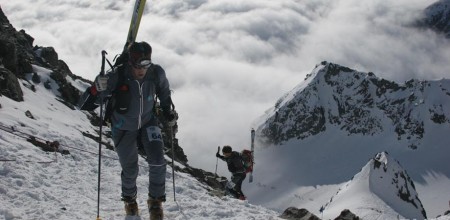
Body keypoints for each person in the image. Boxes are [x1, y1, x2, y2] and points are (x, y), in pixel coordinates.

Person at [79, 41, 177, 219]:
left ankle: (155, 201)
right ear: (129, 63)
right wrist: (95, 88)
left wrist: (168, 111)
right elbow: (85, 105)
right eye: (136, 65)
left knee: (158, 161)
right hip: (123, 127)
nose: (141, 70)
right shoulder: (116, 76)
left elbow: (163, 91)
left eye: (145, 64)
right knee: (130, 169)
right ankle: (130, 200)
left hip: (148, 121)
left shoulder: (156, 73)